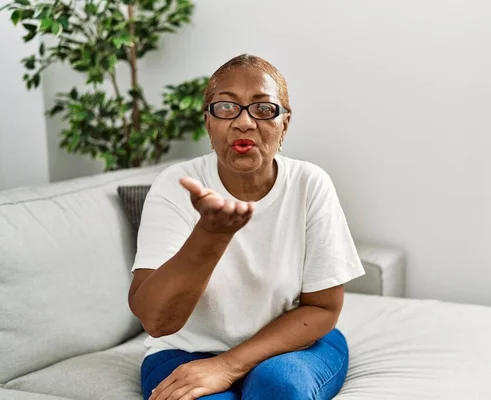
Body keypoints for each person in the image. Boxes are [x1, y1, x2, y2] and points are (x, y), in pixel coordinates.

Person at [128, 54, 365, 400]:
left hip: (292, 346)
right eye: (226, 108)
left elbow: (323, 307)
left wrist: (228, 365)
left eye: (263, 109)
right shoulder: (175, 184)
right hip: (187, 349)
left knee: (278, 388)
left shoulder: (309, 183)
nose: (244, 123)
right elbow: (156, 321)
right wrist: (210, 236)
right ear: (208, 123)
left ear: (285, 123)